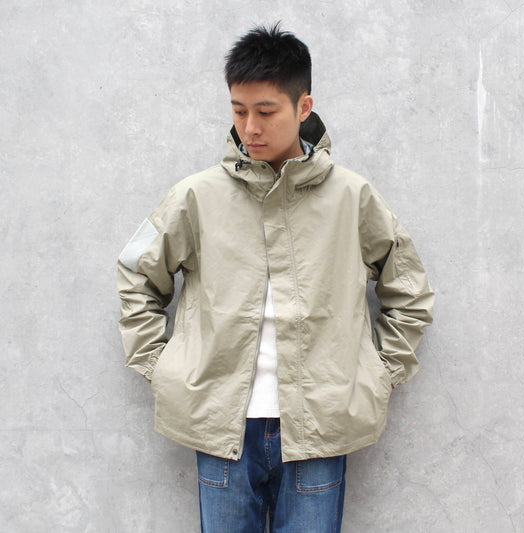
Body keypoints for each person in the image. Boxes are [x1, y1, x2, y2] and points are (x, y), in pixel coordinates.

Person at [117, 23, 434, 533]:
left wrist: (380, 373)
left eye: (266, 112)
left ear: (303, 107)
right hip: (219, 423)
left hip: (320, 425)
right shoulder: (196, 196)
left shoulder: (352, 197)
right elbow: (137, 275)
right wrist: (162, 365)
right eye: (239, 111)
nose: (250, 128)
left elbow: (409, 291)